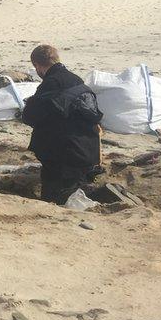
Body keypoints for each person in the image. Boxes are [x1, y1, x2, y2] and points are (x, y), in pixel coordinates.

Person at [20, 45, 103, 205]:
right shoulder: (76, 80)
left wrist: (30, 103)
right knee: (77, 189)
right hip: (88, 152)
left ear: (37, 65)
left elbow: (30, 116)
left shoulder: (51, 84)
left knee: (55, 197)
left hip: (63, 156)